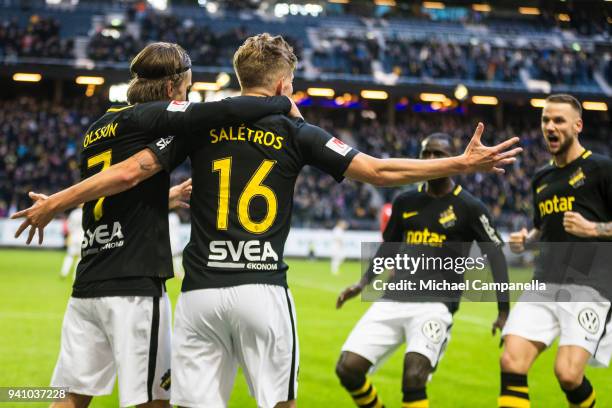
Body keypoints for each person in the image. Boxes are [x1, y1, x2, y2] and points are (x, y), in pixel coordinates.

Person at [13, 34, 522, 408]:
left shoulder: (196, 127)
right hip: (261, 289)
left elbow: (134, 169)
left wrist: (58, 201)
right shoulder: (297, 130)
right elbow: (379, 170)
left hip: (200, 295)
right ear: (283, 82)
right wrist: (461, 163)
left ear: (237, 80)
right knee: (280, 403)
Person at [13, 41, 295, 408]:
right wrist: (280, 102)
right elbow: (222, 112)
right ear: (169, 89)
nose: (189, 95)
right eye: (188, 88)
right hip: (135, 285)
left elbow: (111, 195)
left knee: (69, 397)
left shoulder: (98, 128)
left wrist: (163, 198)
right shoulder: (154, 115)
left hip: (89, 283)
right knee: (154, 400)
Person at [335, 133, 510, 408]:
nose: (430, 160)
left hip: (435, 305)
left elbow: (496, 256)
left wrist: (503, 311)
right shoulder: (405, 202)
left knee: (414, 376)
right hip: (393, 299)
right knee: (347, 368)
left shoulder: (469, 207)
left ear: (452, 158)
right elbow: (388, 249)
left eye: (438, 154)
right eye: (426, 154)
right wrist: (363, 283)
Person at [500, 94, 612, 408]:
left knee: (567, 374)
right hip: (544, 281)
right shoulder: (541, 178)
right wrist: (528, 239)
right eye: (546, 120)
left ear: (577, 125)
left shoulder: (601, 169)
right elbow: (543, 228)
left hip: (591, 285)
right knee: (511, 360)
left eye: (558, 120)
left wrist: (594, 229)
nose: (550, 126)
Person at [59, 205, 83, 279]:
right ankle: (75, 276)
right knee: (80, 257)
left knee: (70, 256)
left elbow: (69, 226)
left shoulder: (73, 213)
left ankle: (63, 273)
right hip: (82, 237)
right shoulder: (86, 212)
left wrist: (69, 236)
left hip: (73, 237)